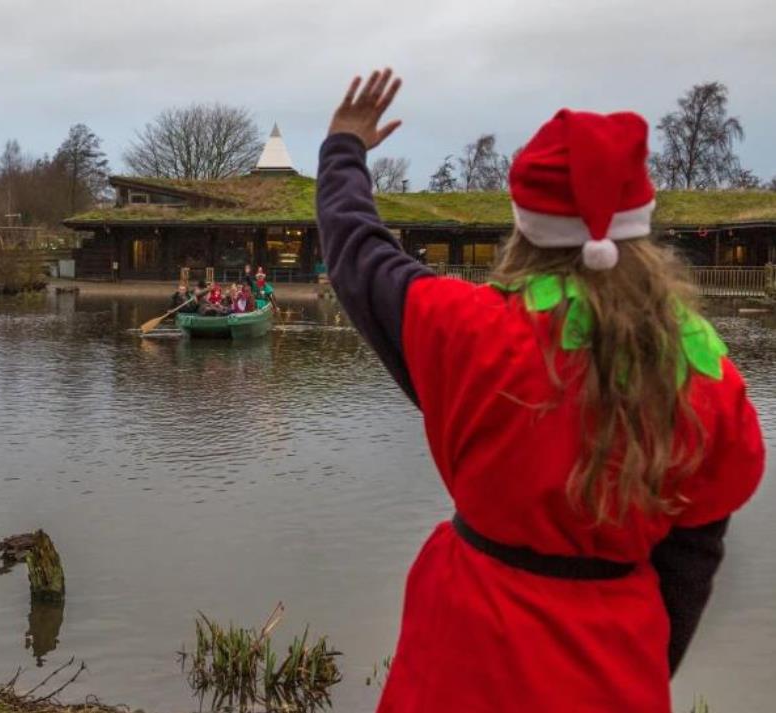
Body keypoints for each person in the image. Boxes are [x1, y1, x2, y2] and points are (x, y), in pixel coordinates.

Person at [318, 68, 763, 713]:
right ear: (643, 230)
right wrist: (636, 665)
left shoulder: (463, 329)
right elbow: (692, 562)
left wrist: (343, 149)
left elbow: (357, 250)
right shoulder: (709, 379)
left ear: (523, 228)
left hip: (461, 654)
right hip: (615, 660)